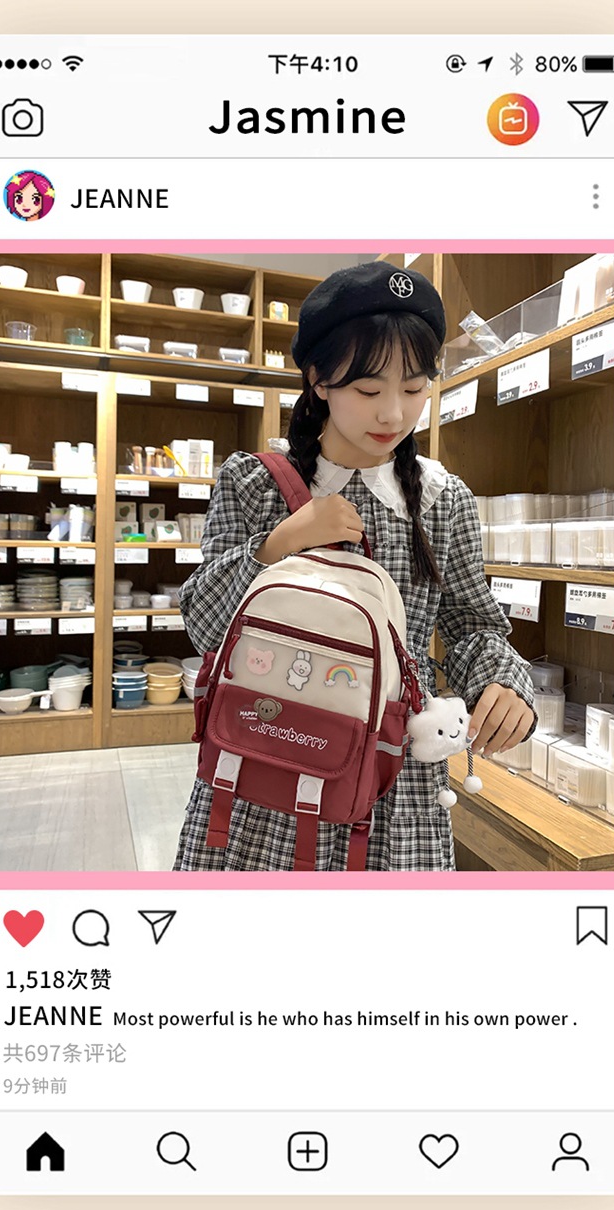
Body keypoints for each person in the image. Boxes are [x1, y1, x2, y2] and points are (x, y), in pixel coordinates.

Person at [173, 261, 536, 871]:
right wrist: (277, 545)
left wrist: (503, 682)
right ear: (318, 380)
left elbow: (473, 624)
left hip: (394, 774)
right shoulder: (255, 483)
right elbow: (204, 627)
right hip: (271, 755)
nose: (393, 414)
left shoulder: (444, 500)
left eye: (415, 388)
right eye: (368, 391)